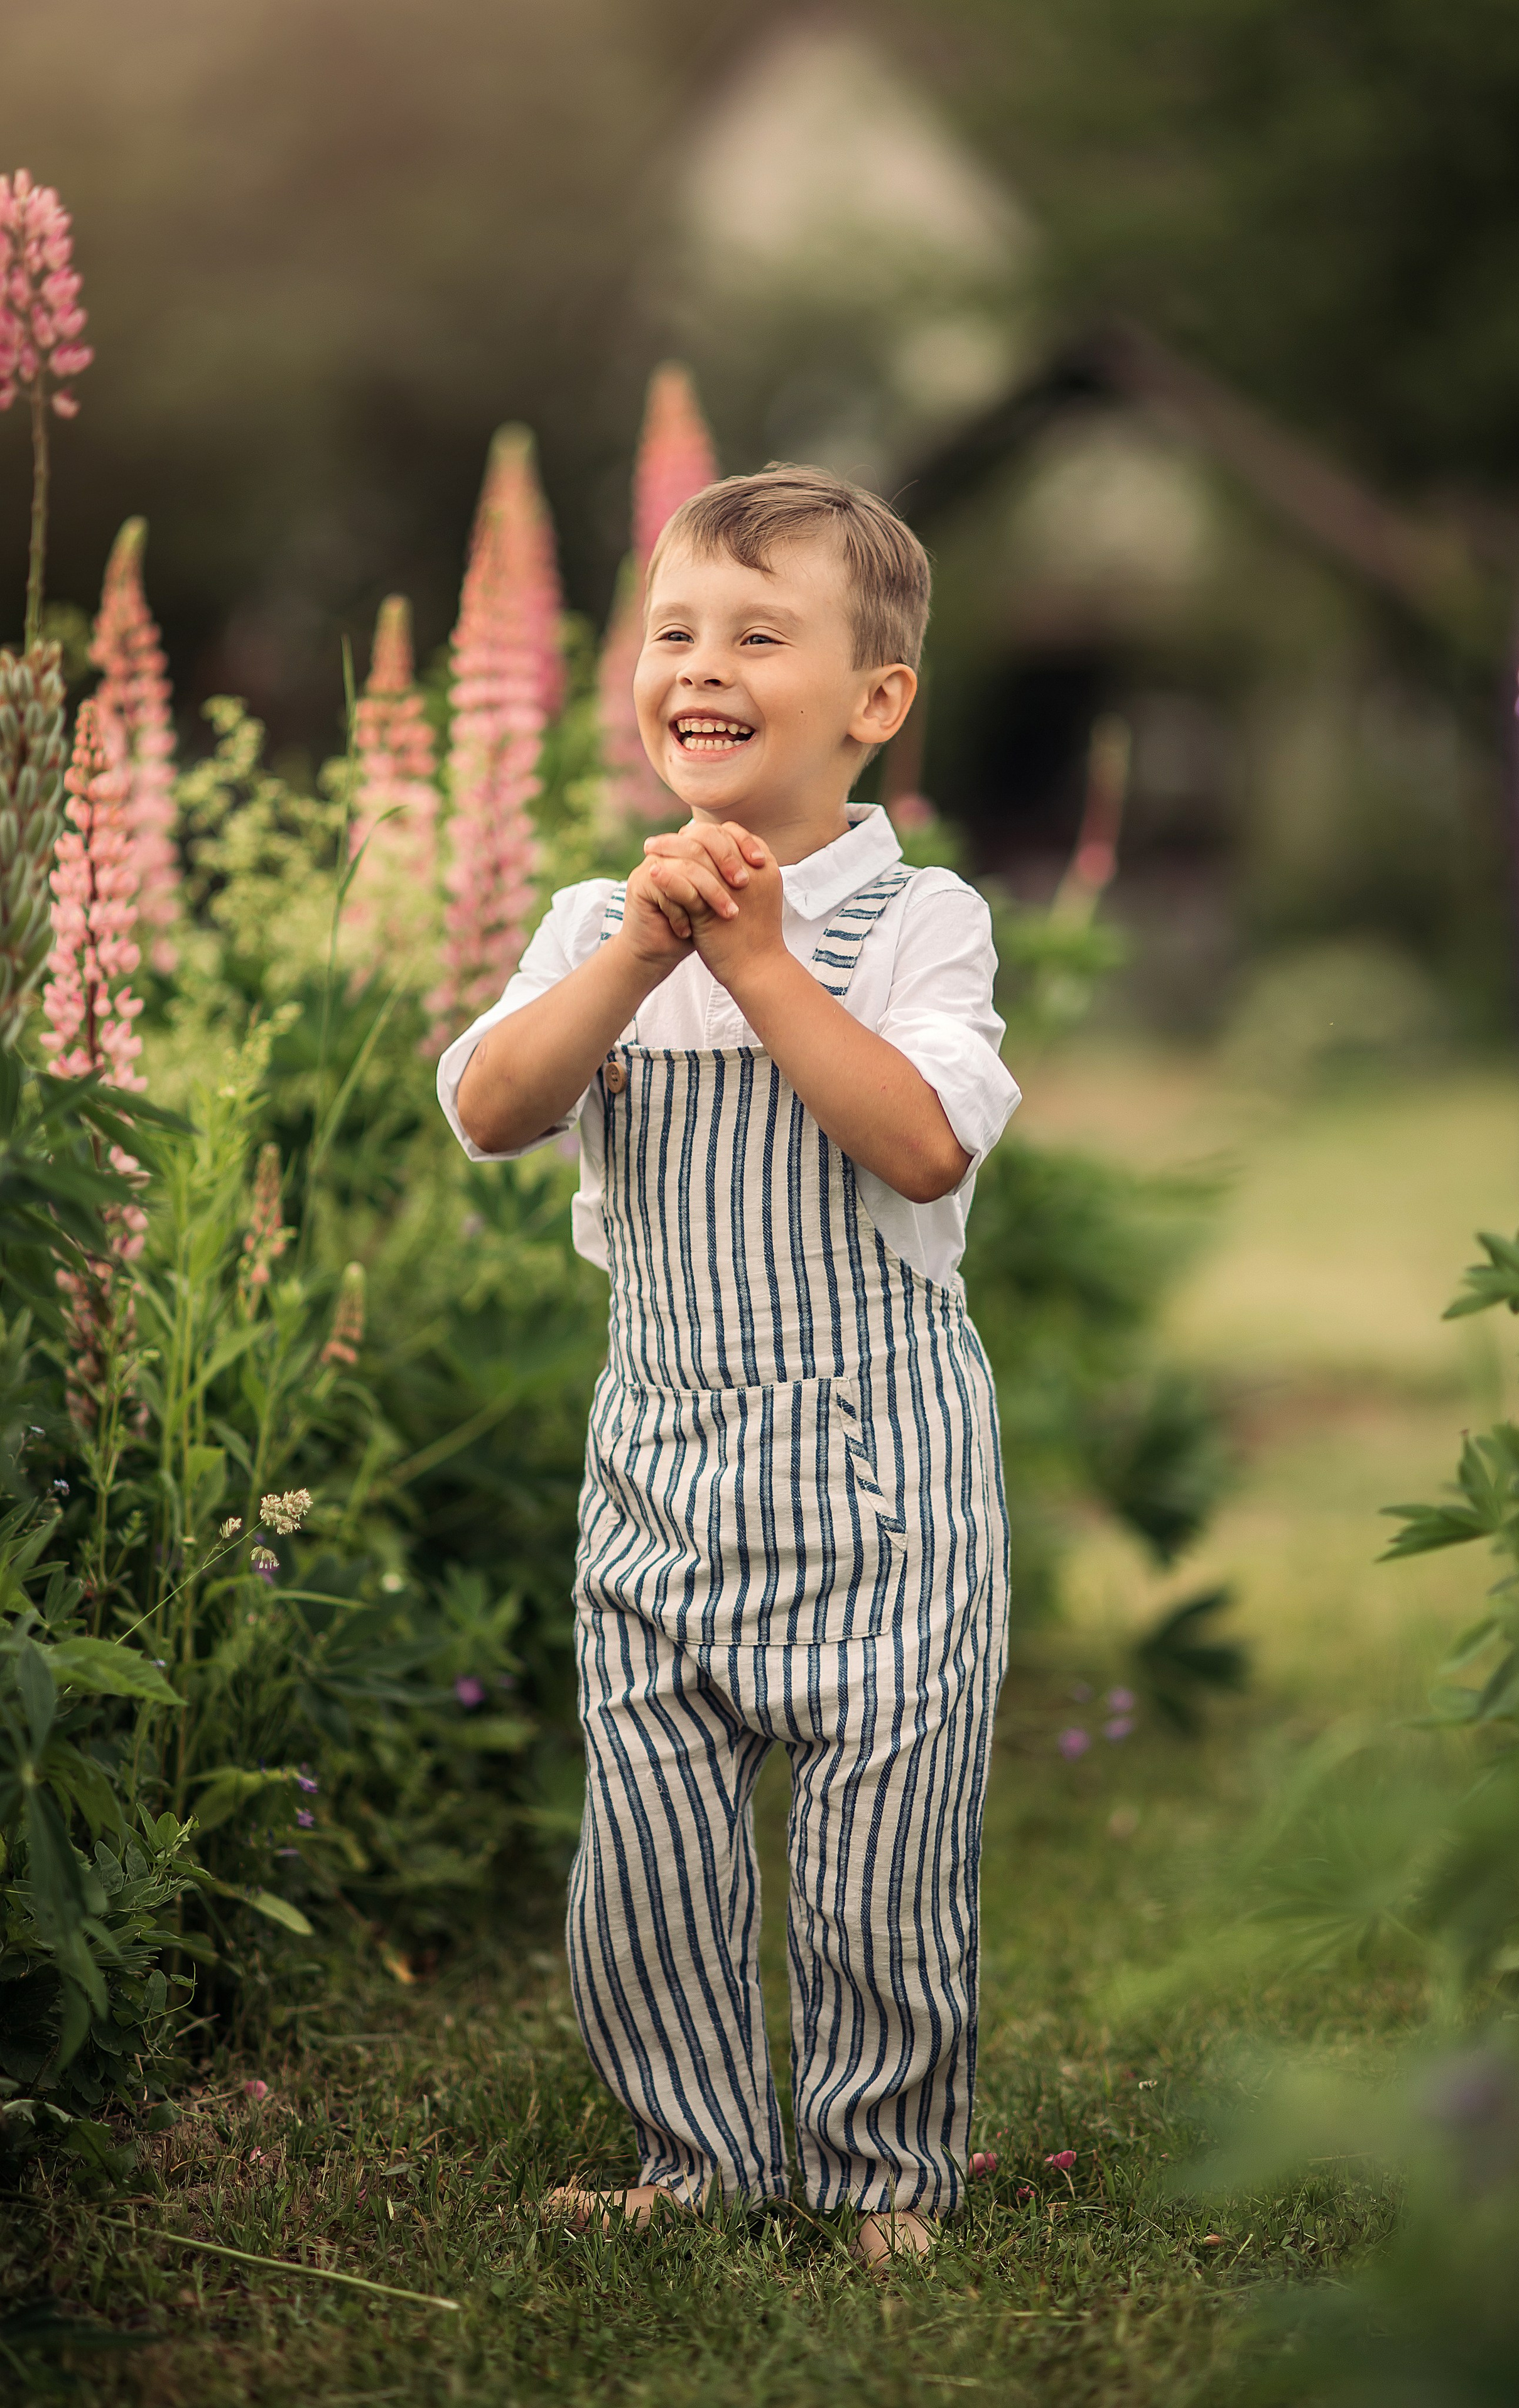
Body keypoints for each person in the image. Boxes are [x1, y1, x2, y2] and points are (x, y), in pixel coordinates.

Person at [438, 464, 1019, 2267]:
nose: (700, 662)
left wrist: (760, 962)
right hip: (668, 1472)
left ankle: (877, 2169)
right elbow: (489, 1105)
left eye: (759, 633)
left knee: (880, 1858)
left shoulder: (918, 924)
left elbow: (921, 1143)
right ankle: (692, 2151)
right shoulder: (593, 931)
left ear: (874, 701)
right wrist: (637, 949)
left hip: (883, 1489)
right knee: (651, 1853)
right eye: (674, 629)